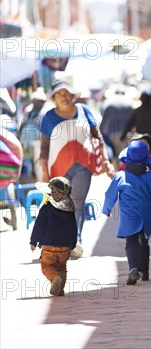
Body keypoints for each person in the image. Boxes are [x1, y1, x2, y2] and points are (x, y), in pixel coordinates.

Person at [39, 80, 115, 257]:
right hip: (58, 168)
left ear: (72, 95)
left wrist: (106, 161)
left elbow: (98, 138)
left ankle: (75, 241)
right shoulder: (48, 118)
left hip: (83, 166)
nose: (63, 97)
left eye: (66, 93)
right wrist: (44, 172)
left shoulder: (84, 111)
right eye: (59, 94)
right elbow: (44, 148)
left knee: (77, 204)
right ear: (54, 98)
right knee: (60, 205)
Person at [102, 140, 151, 284]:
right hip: (146, 217)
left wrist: (107, 210)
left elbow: (109, 195)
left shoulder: (120, 177)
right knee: (144, 242)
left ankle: (133, 268)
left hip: (129, 217)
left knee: (131, 242)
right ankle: (144, 272)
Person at [29, 177, 78, 297]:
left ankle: (54, 278)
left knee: (47, 266)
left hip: (48, 245)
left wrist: (33, 241)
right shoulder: (70, 209)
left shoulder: (46, 208)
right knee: (62, 267)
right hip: (66, 246)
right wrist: (73, 243)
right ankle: (59, 289)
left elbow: (39, 226)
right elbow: (74, 228)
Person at [121, 92, 151, 177]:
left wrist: (122, 137)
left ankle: (144, 177)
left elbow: (129, 125)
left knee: (144, 161)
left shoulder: (137, 111)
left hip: (143, 142)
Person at [99, 84, 137, 167]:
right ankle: (124, 172)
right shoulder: (130, 103)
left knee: (116, 154)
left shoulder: (108, 103)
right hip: (127, 133)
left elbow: (104, 121)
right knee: (125, 153)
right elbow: (134, 119)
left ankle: (117, 173)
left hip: (113, 133)